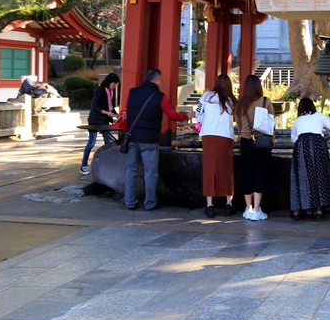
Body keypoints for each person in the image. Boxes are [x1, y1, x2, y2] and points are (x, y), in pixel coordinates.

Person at [123, 69, 189, 211]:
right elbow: (172, 115)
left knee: (131, 170)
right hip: (149, 140)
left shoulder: (132, 92)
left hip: (132, 137)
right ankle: (150, 203)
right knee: (150, 172)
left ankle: (129, 201)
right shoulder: (159, 96)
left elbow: (127, 112)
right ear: (157, 80)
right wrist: (186, 116)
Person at [290, 97, 330, 220]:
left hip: (301, 145)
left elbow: (293, 138)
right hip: (318, 145)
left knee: (301, 177)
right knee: (319, 176)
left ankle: (298, 210)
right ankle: (318, 210)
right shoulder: (320, 116)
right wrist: (329, 138)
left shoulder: (298, 120)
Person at [196, 74, 237, 218]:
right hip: (226, 136)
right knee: (226, 169)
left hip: (209, 135)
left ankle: (209, 205)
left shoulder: (206, 96)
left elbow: (198, 111)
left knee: (209, 168)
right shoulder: (232, 100)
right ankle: (228, 203)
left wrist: (200, 124)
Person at [235, 75, 275, 221]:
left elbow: (238, 125)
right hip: (262, 142)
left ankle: (248, 208)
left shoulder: (240, 104)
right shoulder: (265, 101)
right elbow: (271, 123)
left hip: (246, 141)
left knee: (247, 174)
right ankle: (257, 209)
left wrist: (245, 133)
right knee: (260, 173)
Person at [81, 73, 119, 175]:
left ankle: (109, 165)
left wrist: (117, 115)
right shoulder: (100, 90)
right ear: (109, 82)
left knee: (109, 142)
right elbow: (95, 106)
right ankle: (84, 165)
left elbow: (110, 107)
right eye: (114, 84)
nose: (115, 86)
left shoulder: (111, 92)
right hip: (95, 120)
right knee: (91, 143)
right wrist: (109, 113)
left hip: (104, 121)